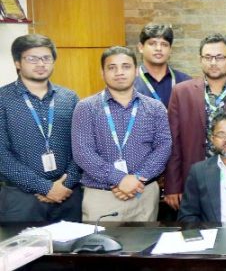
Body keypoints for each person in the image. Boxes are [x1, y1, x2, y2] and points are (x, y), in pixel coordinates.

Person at [72, 46, 171, 222]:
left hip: (144, 194)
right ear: (102, 72)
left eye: (126, 66)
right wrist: (120, 179)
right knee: (100, 248)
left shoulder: (155, 108)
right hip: (102, 196)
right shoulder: (85, 107)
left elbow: (164, 146)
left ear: (136, 70)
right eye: (112, 67)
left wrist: (136, 179)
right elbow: (83, 152)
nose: (119, 72)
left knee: (144, 247)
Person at [164, 33, 226, 211]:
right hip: (195, 175)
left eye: (220, 57)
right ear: (201, 60)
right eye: (208, 57)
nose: (213, 62)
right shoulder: (181, 92)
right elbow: (173, 141)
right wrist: (173, 185)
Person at [0, 34, 82, 222]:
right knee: (23, 251)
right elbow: (2, 156)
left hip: (68, 195)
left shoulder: (69, 98)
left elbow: (81, 147)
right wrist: (45, 188)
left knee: (72, 250)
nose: (41, 64)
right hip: (20, 198)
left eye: (46, 58)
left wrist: (65, 184)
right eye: (32, 58)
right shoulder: (3, 99)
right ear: (18, 63)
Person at [134, 23, 191, 107]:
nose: (158, 48)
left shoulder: (185, 82)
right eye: (152, 43)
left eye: (164, 44)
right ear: (141, 47)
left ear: (170, 50)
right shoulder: (130, 81)